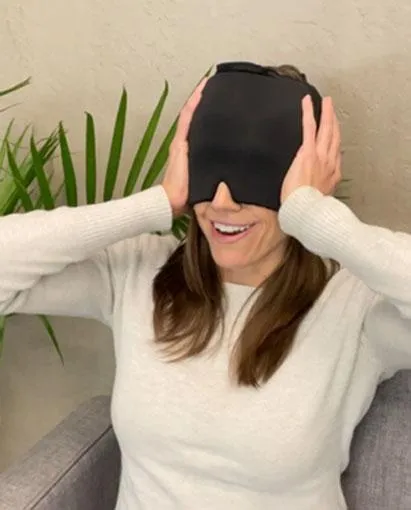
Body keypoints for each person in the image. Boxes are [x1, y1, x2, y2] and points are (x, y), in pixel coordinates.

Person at [0, 62, 410, 510]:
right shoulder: (137, 273)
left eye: (255, 175)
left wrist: (314, 216)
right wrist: (156, 203)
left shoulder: (356, 306)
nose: (222, 202)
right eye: (209, 170)